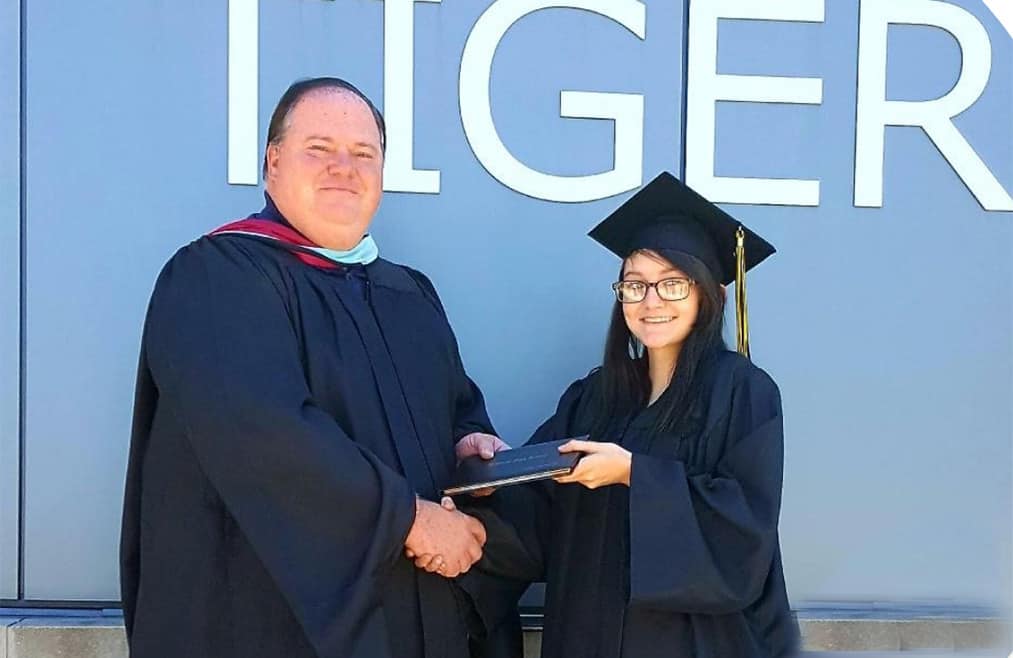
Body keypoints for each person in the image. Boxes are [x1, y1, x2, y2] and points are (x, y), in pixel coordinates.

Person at [120, 77, 510, 658]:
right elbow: (261, 433)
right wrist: (408, 520)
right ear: (273, 162)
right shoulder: (217, 277)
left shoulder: (408, 292)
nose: (343, 168)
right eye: (319, 149)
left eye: (363, 154)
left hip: (406, 617)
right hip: (264, 623)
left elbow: (456, 407)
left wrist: (468, 442)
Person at [449, 172, 800, 657]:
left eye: (672, 284)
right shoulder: (596, 395)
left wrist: (635, 474)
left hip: (692, 644)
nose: (650, 301)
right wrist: (491, 479)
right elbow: (538, 515)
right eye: (634, 285)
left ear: (710, 294)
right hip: (585, 636)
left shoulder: (743, 393)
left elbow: (744, 531)